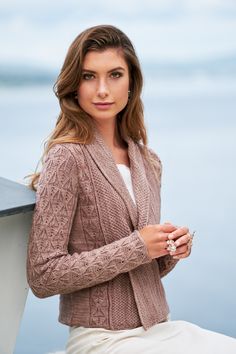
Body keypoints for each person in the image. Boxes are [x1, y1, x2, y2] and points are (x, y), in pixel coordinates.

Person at [27, 24, 236, 354]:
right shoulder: (67, 157)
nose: (102, 90)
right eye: (88, 76)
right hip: (101, 338)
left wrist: (169, 249)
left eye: (114, 75)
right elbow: (43, 276)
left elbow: (140, 268)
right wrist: (138, 246)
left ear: (131, 83)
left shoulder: (148, 161)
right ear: (74, 86)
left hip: (160, 327)